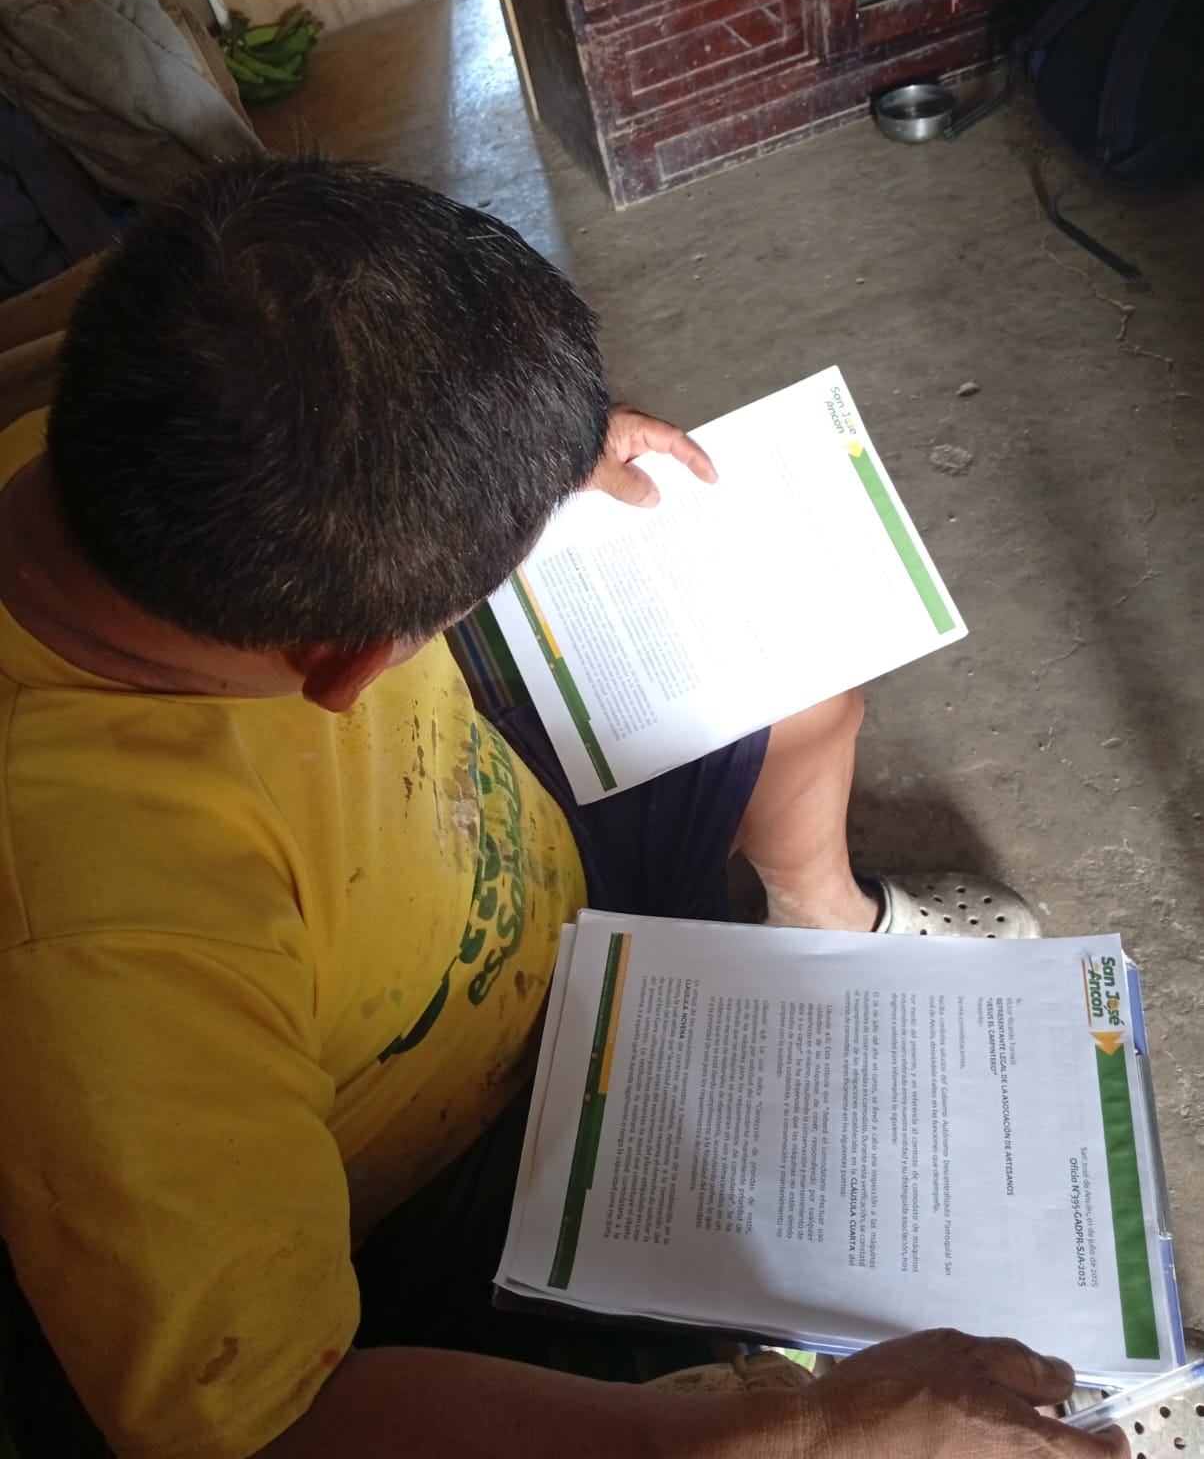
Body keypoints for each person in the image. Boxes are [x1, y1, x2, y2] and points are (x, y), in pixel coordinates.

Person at [0, 159, 1126, 1459]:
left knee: (788, 646)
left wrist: (522, 449)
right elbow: (271, 1427)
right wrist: (811, 1431)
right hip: (437, 1177)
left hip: (503, 848)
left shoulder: (108, 444)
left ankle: (821, 915)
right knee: (764, 1376)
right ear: (348, 668)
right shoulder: (96, 954)